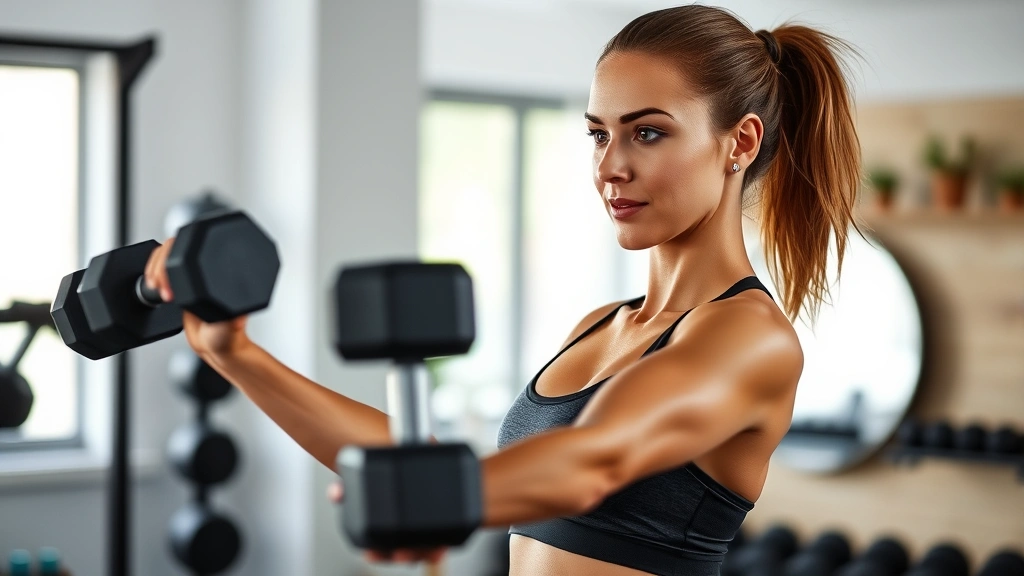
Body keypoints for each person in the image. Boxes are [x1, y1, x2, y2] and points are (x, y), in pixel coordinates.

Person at [144, 4, 860, 575]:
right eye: (598, 134)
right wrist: (236, 355)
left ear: (740, 143)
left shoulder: (749, 337)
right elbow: (471, 470)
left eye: (647, 134)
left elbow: (595, 460)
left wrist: (431, 503)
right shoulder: (599, 326)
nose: (610, 167)